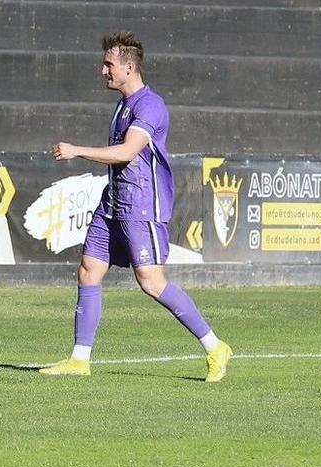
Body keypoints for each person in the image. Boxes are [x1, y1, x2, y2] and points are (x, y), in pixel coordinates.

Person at [41, 31, 233, 381]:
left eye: (108, 64)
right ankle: (79, 359)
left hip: (139, 206)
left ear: (129, 68)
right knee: (88, 271)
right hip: (112, 203)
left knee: (152, 282)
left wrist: (76, 150)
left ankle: (215, 346)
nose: (103, 71)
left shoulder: (150, 105)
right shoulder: (123, 104)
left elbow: (128, 152)